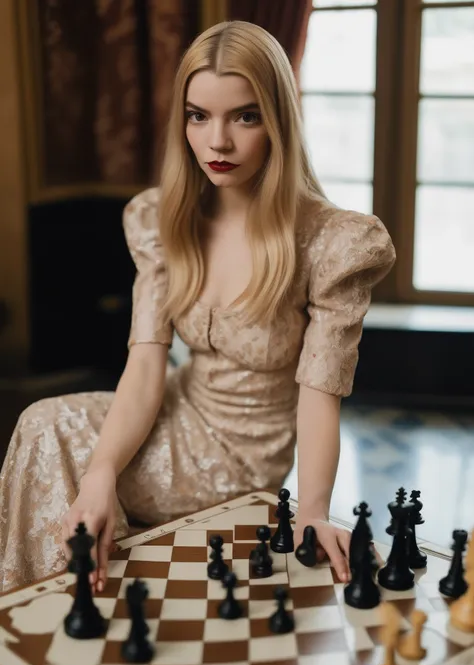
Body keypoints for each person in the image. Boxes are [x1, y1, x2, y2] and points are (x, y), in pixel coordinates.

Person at [0, 20, 395, 595]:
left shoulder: (331, 242)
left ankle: (75, 615)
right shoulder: (165, 221)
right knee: (45, 427)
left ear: (279, 119)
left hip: (242, 454)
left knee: (58, 452)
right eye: (198, 115)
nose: (218, 142)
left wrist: (313, 507)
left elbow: (320, 395)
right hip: (175, 406)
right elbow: (143, 368)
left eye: (245, 115)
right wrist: (102, 470)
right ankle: (34, 623)